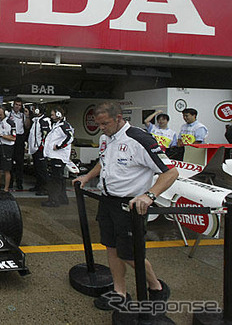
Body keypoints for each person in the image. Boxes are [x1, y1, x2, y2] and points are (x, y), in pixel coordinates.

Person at [73, 102, 177, 317]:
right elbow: (104, 162)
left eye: (106, 123)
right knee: (111, 247)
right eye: (99, 124)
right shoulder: (105, 138)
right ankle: (120, 292)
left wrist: (149, 196)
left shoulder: (139, 138)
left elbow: (170, 173)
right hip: (108, 200)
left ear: (119, 118)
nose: (102, 127)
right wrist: (87, 176)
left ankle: (156, 287)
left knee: (129, 253)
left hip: (131, 204)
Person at [41, 106, 74, 207]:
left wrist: (59, 146)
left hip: (59, 156)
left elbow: (70, 137)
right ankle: (62, 198)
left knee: (55, 180)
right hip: (56, 156)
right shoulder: (57, 125)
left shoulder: (64, 125)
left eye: (52, 114)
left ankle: (53, 200)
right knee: (59, 179)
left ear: (59, 114)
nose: (51, 116)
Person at [27, 106, 51, 196]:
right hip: (35, 149)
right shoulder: (35, 120)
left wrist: (42, 146)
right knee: (37, 169)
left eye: (34, 109)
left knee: (42, 169)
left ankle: (46, 188)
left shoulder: (44, 120)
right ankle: (38, 185)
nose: (33, 111)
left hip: (40, 149)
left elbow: (46, 134)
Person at [10, 97, 31, 190]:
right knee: (9, 161)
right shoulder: (8, 114)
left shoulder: (22, 115)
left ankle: (19, 182)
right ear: (13, 105)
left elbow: (27, 126)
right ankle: (9, 182)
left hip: (20, 138)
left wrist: (27, 116)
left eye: (19, 105)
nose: (18, 107)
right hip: (10, 137)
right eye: (16, 105)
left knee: (20, 162)